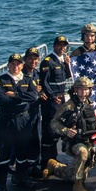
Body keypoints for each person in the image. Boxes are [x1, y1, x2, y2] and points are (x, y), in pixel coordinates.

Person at [0, 53, 40, 191]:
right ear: (8, 65)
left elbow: (34, 96)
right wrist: (22, 99)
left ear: (22, 65)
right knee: (3, 153)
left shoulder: (27, 79)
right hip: (6, 121)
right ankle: (1, 183)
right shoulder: (1, 81)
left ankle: (22, 178)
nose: (16, 66)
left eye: (18, 64)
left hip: (23, 120)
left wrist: (15, 95)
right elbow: (1, 100)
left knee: (23, 151)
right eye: (13, 64)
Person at [46, 76, 96, 191]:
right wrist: (66, 131)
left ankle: (56, 167)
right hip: (72, 142)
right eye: (81, 89)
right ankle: (77, 184)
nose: (84, 92)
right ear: (75, 89)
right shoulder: (69, 105)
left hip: (87, 140)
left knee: (79, 172)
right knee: (82, 153)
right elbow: (54, 122)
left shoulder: (89, 104)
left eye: (86, 89)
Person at [38, 35, 72, 169]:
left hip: (61, 97)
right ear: (54, 46)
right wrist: (52, 97)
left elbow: (67, 76)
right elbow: (44, 81)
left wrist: (68, 65)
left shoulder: (61, 61)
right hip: (52, 100)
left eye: (64, 46)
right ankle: (46, 162)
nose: (62, 48)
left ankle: (54, 160)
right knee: (49, 129)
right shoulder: (48, 61)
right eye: (60, 45)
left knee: (56, 128)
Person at [21, 48, 44, 176]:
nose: (33, 61)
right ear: (25, 60)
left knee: (36, 139)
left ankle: (34, 166)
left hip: (35, 111)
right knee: (23, 142)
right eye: (30, 58)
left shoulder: (36, 74)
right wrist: (35, 92)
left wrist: (40, 93)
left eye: (35, 59)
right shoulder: (20, 74)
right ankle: (20, 171)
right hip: (24, 113)